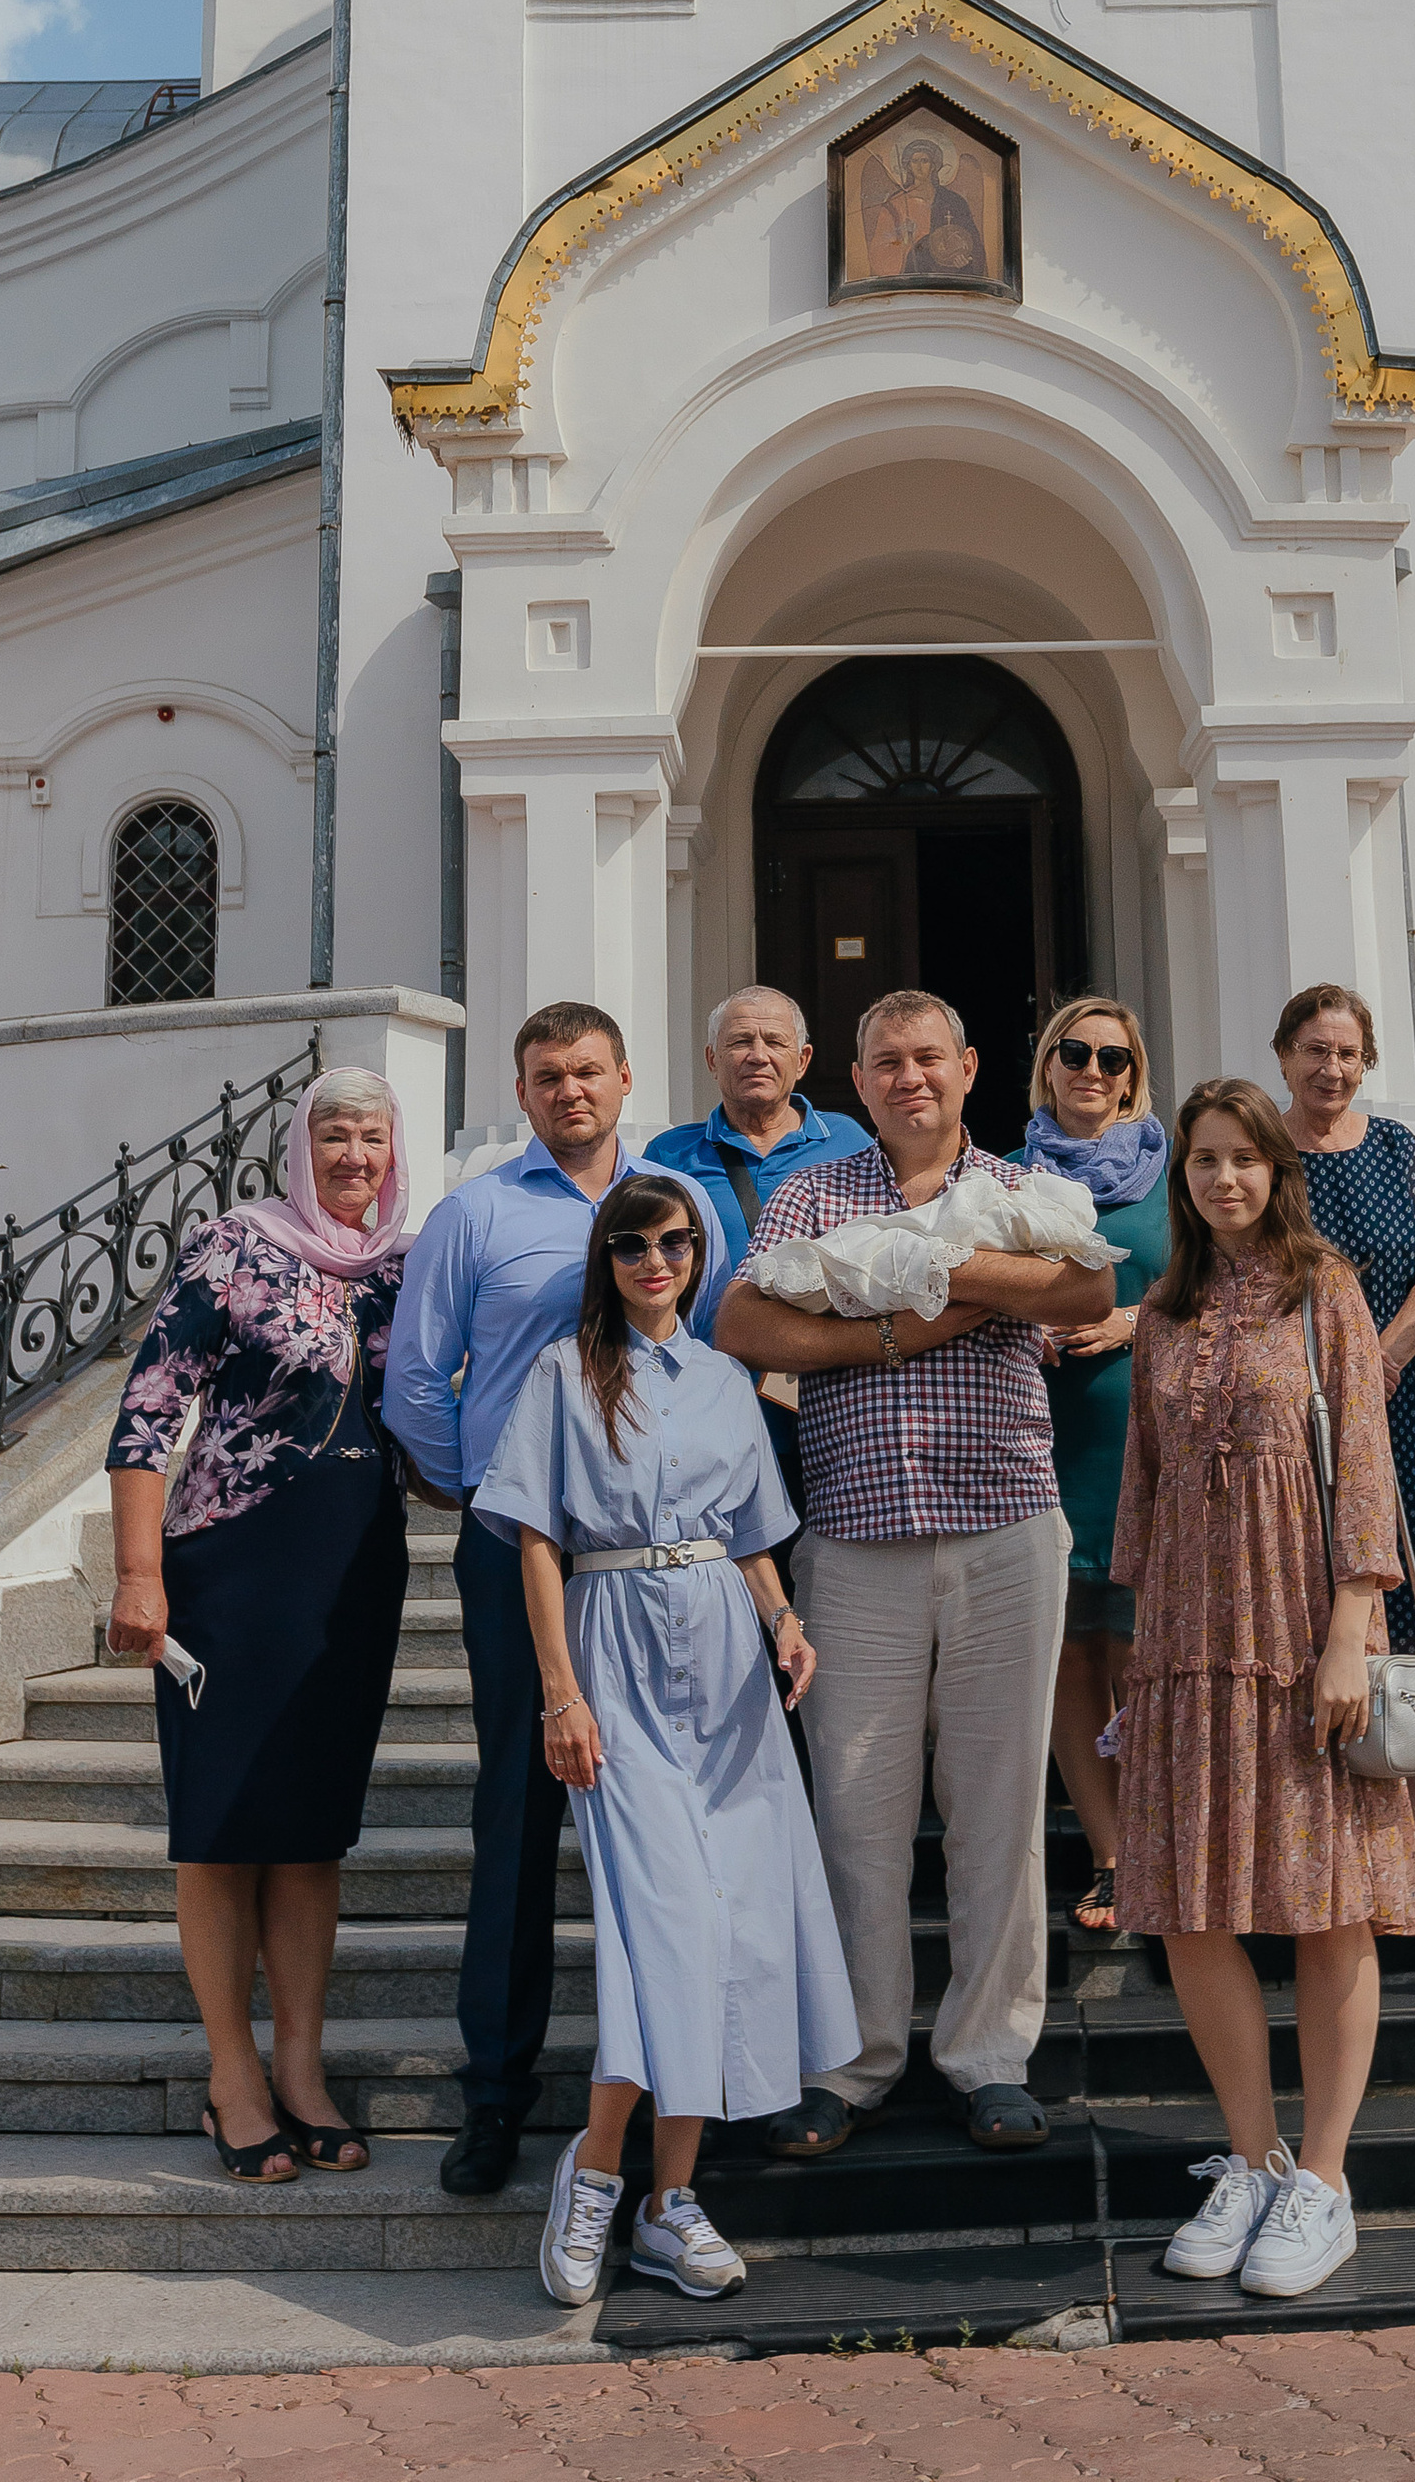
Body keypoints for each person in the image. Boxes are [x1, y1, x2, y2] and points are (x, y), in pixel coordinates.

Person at [713, 990, 1113, 2158]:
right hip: (852, 1534)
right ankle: (852, 2060)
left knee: (995, 1810)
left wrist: (923, 1270)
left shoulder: (1023, 1187)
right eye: (885, 1061)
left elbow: (1085, 1290)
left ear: (970, 1066)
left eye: (928, 1058)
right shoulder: (811, 1190)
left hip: (1003, 1525)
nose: (909, 1080)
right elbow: (745, 1323)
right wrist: (910, 1324)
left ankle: (989, 2057)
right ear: (855, 1076)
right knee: (857, 1814)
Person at [473, 1170, 859, 2311]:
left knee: (731, 1925)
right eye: (633, 1243)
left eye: (675, 1242)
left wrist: (786, 1622)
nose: (655, 1260)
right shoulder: (561, 1373)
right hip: (613, 1655)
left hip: (730, 1670)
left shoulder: (726, 1380)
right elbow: (535, 1542)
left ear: (699, 1253)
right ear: (607, 1257)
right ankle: (597, 2174)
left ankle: (667, 2202)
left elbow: (749, 1535)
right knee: (666, 1930)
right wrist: (559, 1693)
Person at [382, 1002, 726, 2197]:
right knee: (522, 1820)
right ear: (521, 1094)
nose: (568, 1090)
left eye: (587, 1070)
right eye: (545, 1076)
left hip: (664, 1559)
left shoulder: (683, 1203)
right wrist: (484, 1488)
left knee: (677, 1824)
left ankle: (691, 2090)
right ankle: (496, 2099)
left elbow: (712, 1348)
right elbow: (416, 1375)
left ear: (626, 1077)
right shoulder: (476, 1214)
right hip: (525, 1546)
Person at [1111, 1077, 1415, 2301]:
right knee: (1193, 1909)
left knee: (1324, 1900)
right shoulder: (1162, 1312)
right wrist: (1143, 1662)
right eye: (1203, 1160)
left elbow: (1362, 1459)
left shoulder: (1325, 1293)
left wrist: (1352, 1623)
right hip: (1189, 1636)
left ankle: (1325, 2181)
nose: (1225, 1179)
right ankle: (1249, 2160)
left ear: (1274, 1170)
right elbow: (1139, 1495)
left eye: (1244, 1158)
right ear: (1180, 1176)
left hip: (1300, 1620)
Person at [105, 1068, 418, 2184]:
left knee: (310, 1827)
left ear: (395, 1150)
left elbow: (424, 1425)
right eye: (333, 1137)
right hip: (230, 1566)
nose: (352, 1157)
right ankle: (230, 2078)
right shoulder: (233, 1246)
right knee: (224, 1822)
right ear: (301, 1147)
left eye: (371, 1138)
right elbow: (150, 1407)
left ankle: (301, 2068)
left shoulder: (404, 1266)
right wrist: (139, 1576)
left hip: (352, 1571)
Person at [1275, 986, 1415, 1678]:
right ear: (1283, 1056)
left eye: (1348, 1054)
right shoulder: (1259, 1154)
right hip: (1298, 1403)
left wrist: (1379, 1358)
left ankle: (1400, 1768)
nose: (1332, 1068)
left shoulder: (1395, 1145)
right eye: (1316, 1051)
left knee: (1412, 1600)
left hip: (1400, 1396)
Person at [1019, 995, 1172, 1941]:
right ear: (1046, 1065)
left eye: (1112, 1059)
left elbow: (1212, 1289)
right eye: (1073, 1053)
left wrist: (1129, 1321)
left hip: (1148, 1442)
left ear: (1132, 1072)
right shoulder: (1005, 1174)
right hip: (1041, 1437)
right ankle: (1113, 1854)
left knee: (1139, 1647)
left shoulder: (1175, 1169)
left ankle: (1158, 1843)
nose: (1092, 1070)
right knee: (1071, 1652)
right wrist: (1018, 1325)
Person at [646, 986, 869, 1263]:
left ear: (802, 1061)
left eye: (775, 1042)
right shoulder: (670, 1155)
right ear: (712, 1060)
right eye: (740, 1042)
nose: (758, 1056)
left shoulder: (849, 1141)